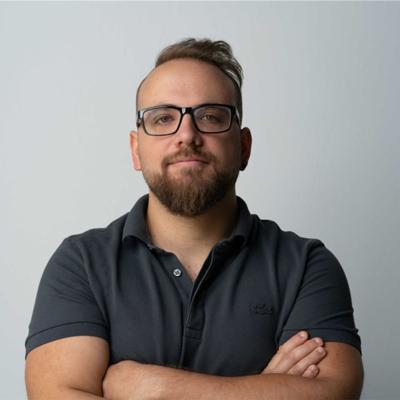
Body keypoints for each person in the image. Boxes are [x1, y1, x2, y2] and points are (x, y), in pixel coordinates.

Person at [25, 38, 363, 399]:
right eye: (163, 118)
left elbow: (333, 392)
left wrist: (154, 388)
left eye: (210, 116)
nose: (187, 135)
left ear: (244, 147)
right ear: (136, 150)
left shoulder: (307, 266)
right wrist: (263, 388)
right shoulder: (81, 264)